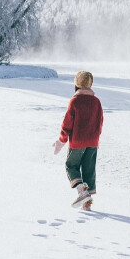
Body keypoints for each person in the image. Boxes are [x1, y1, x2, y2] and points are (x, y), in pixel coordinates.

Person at [53, 70, 103, 210]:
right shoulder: (97, 102)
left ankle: (81, 191)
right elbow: (100, 123)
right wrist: (95, 139)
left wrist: (61, 141)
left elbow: (67, 124)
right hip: (92, 141)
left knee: (71, 166)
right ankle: (87, 203)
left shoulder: (75, 101)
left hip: (78, 142)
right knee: (89, 170)